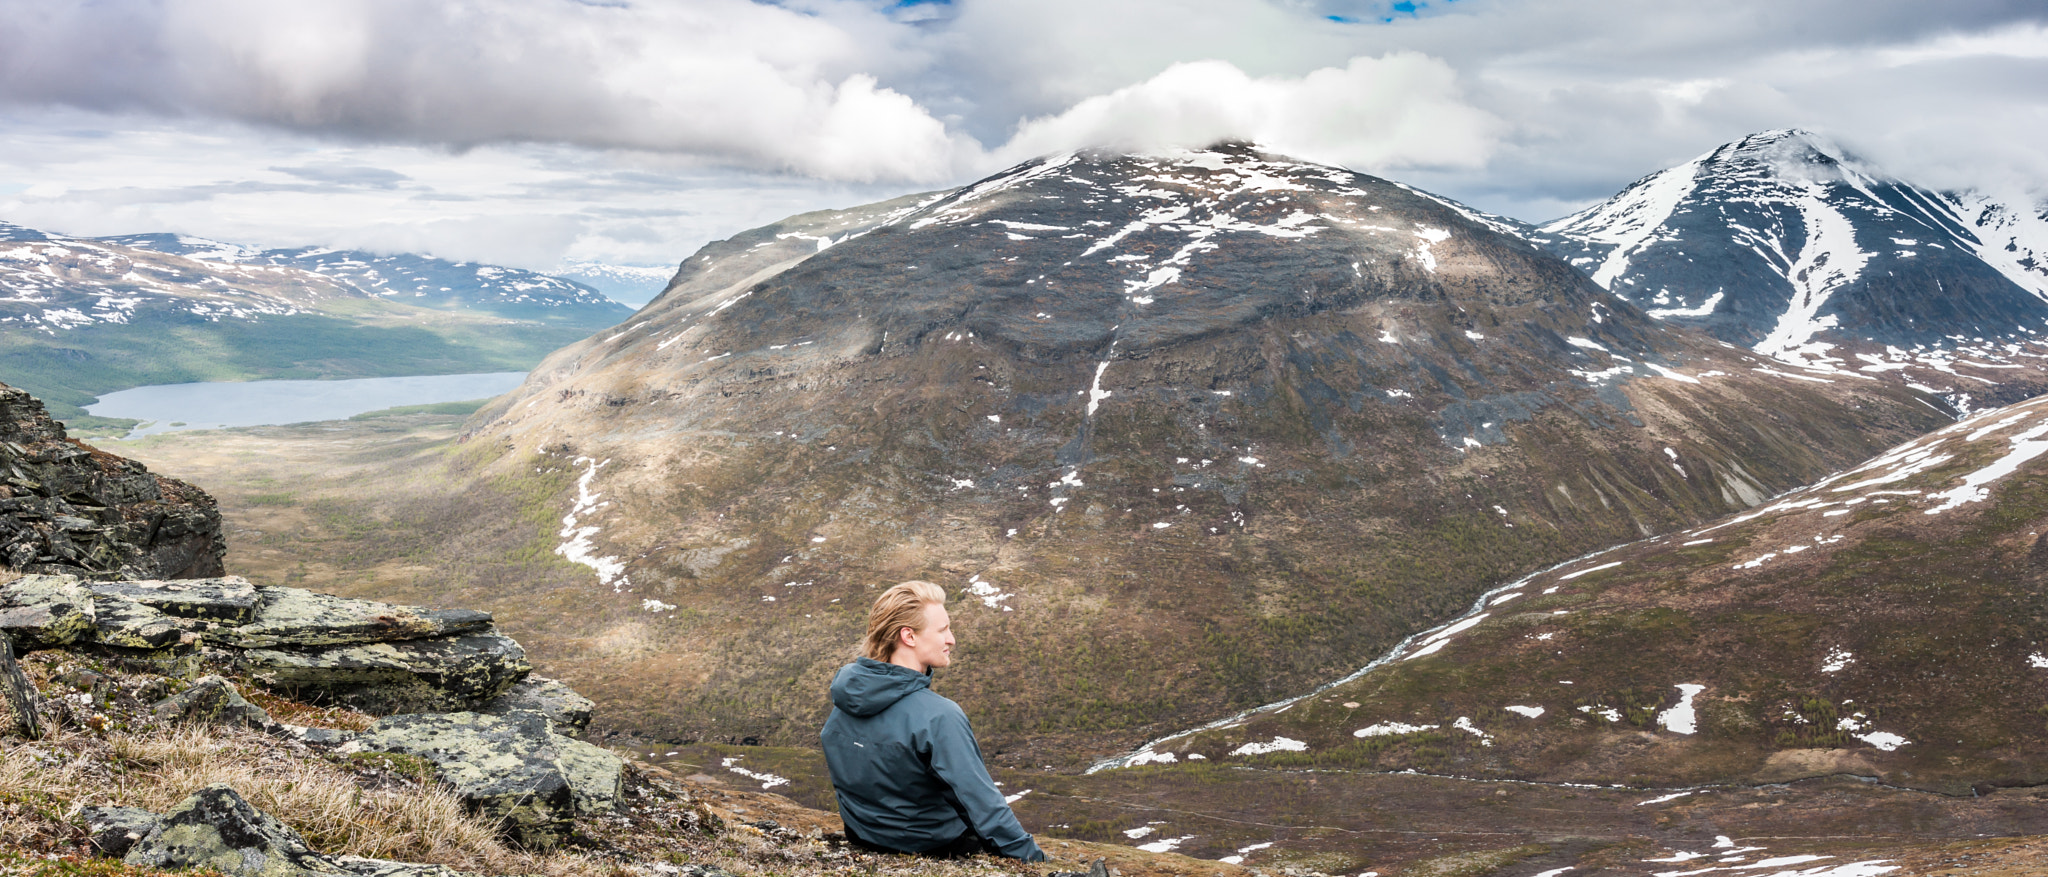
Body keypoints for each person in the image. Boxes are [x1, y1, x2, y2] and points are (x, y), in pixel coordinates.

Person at [820, 581, 1047, 862]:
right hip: (931, 845)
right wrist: (1034, 862)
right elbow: (981, 804)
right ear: (909, 637)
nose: (951, 639)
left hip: (862, 835)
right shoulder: (939, 716)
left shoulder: (846, 696)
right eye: (942, 630)